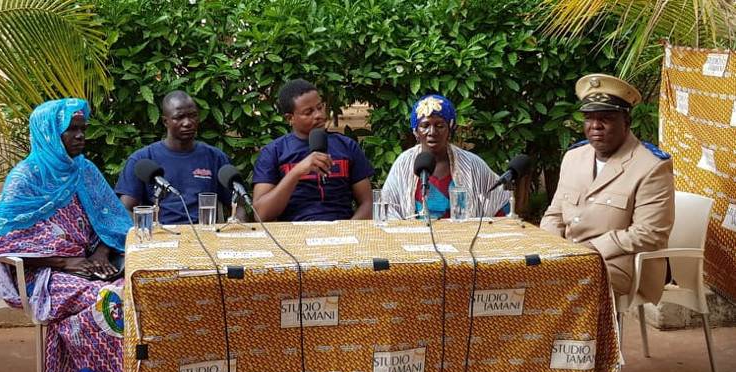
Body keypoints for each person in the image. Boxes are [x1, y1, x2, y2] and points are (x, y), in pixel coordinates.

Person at [0, 98, 131, 372]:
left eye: (83, 129)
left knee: (137, 290)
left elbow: (112, 220)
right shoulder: (25, 178)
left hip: (90, 264)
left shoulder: (84, 170)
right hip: (41, 274)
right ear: (50, 133)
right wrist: (66, 263)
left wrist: (101, 254)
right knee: (111, 300)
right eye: (71, 130)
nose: (80, 136)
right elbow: (4, 244)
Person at [540, 73, 675, 304]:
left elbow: (650, 233)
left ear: (626, 121)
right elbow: (554, 215)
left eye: (606, 118)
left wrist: (588, 249)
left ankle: (587, 342)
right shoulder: (574, 157)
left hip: (621, 262)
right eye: (589, 118)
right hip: (571, 256)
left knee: (566, 288)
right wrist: (556, 248)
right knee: (523, 276)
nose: (595, 126)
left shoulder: (651, 166)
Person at [252, 79, 374, 221]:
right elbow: (261, 214)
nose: (318, 115)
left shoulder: (347, 146)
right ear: (290, 118)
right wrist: (296, 173)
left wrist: (347, 231)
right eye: (308, 112)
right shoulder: (273, 152)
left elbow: (368, 203)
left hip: (343, 232)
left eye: (320, 107)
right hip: (292, 236)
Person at [381, 94, 510, 220]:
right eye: (425, 126)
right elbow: (388, 210)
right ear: (416, 131)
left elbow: (500, 201)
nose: (432, 132)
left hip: (463, 239)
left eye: (440, 126)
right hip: (413, 239)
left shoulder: (471, 164)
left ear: (450, 129)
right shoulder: (403, 164)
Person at [115, 91, 233, 224]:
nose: (188, 123)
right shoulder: (142, 160)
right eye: (179, 117)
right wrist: (148, 232)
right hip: (161, 237)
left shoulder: (215, 157)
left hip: (205, 237)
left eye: (193, 116)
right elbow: (125, 209)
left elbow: (238, 205)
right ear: (165, 121)